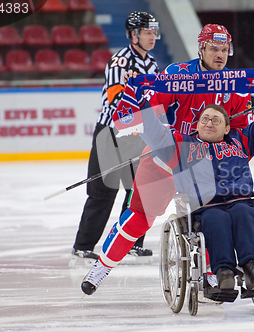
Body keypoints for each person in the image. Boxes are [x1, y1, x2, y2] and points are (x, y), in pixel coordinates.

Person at [79, 24, 254, 296]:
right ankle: (102, 266)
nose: (220, 54)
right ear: (201, 48)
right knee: (139, 217)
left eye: (224, 49)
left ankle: (215, 273)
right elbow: (149, 107)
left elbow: (240, 133)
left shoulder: (237, 86)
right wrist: (136, 93)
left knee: (214, 213)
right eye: (214, 48)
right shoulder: (177, 75)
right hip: (169, 153)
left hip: (204, 164)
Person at [70, 11, 160, 266]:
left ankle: (130, 243)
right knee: (102, 192)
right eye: (147, 32)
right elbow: (115, 100)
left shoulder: (152, 64)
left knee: (138, 191)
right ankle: (83, 246)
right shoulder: (119, 62)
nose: (152, 36)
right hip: (111, 133)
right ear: (134, 35)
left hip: (139, 135)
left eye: (154, 32)